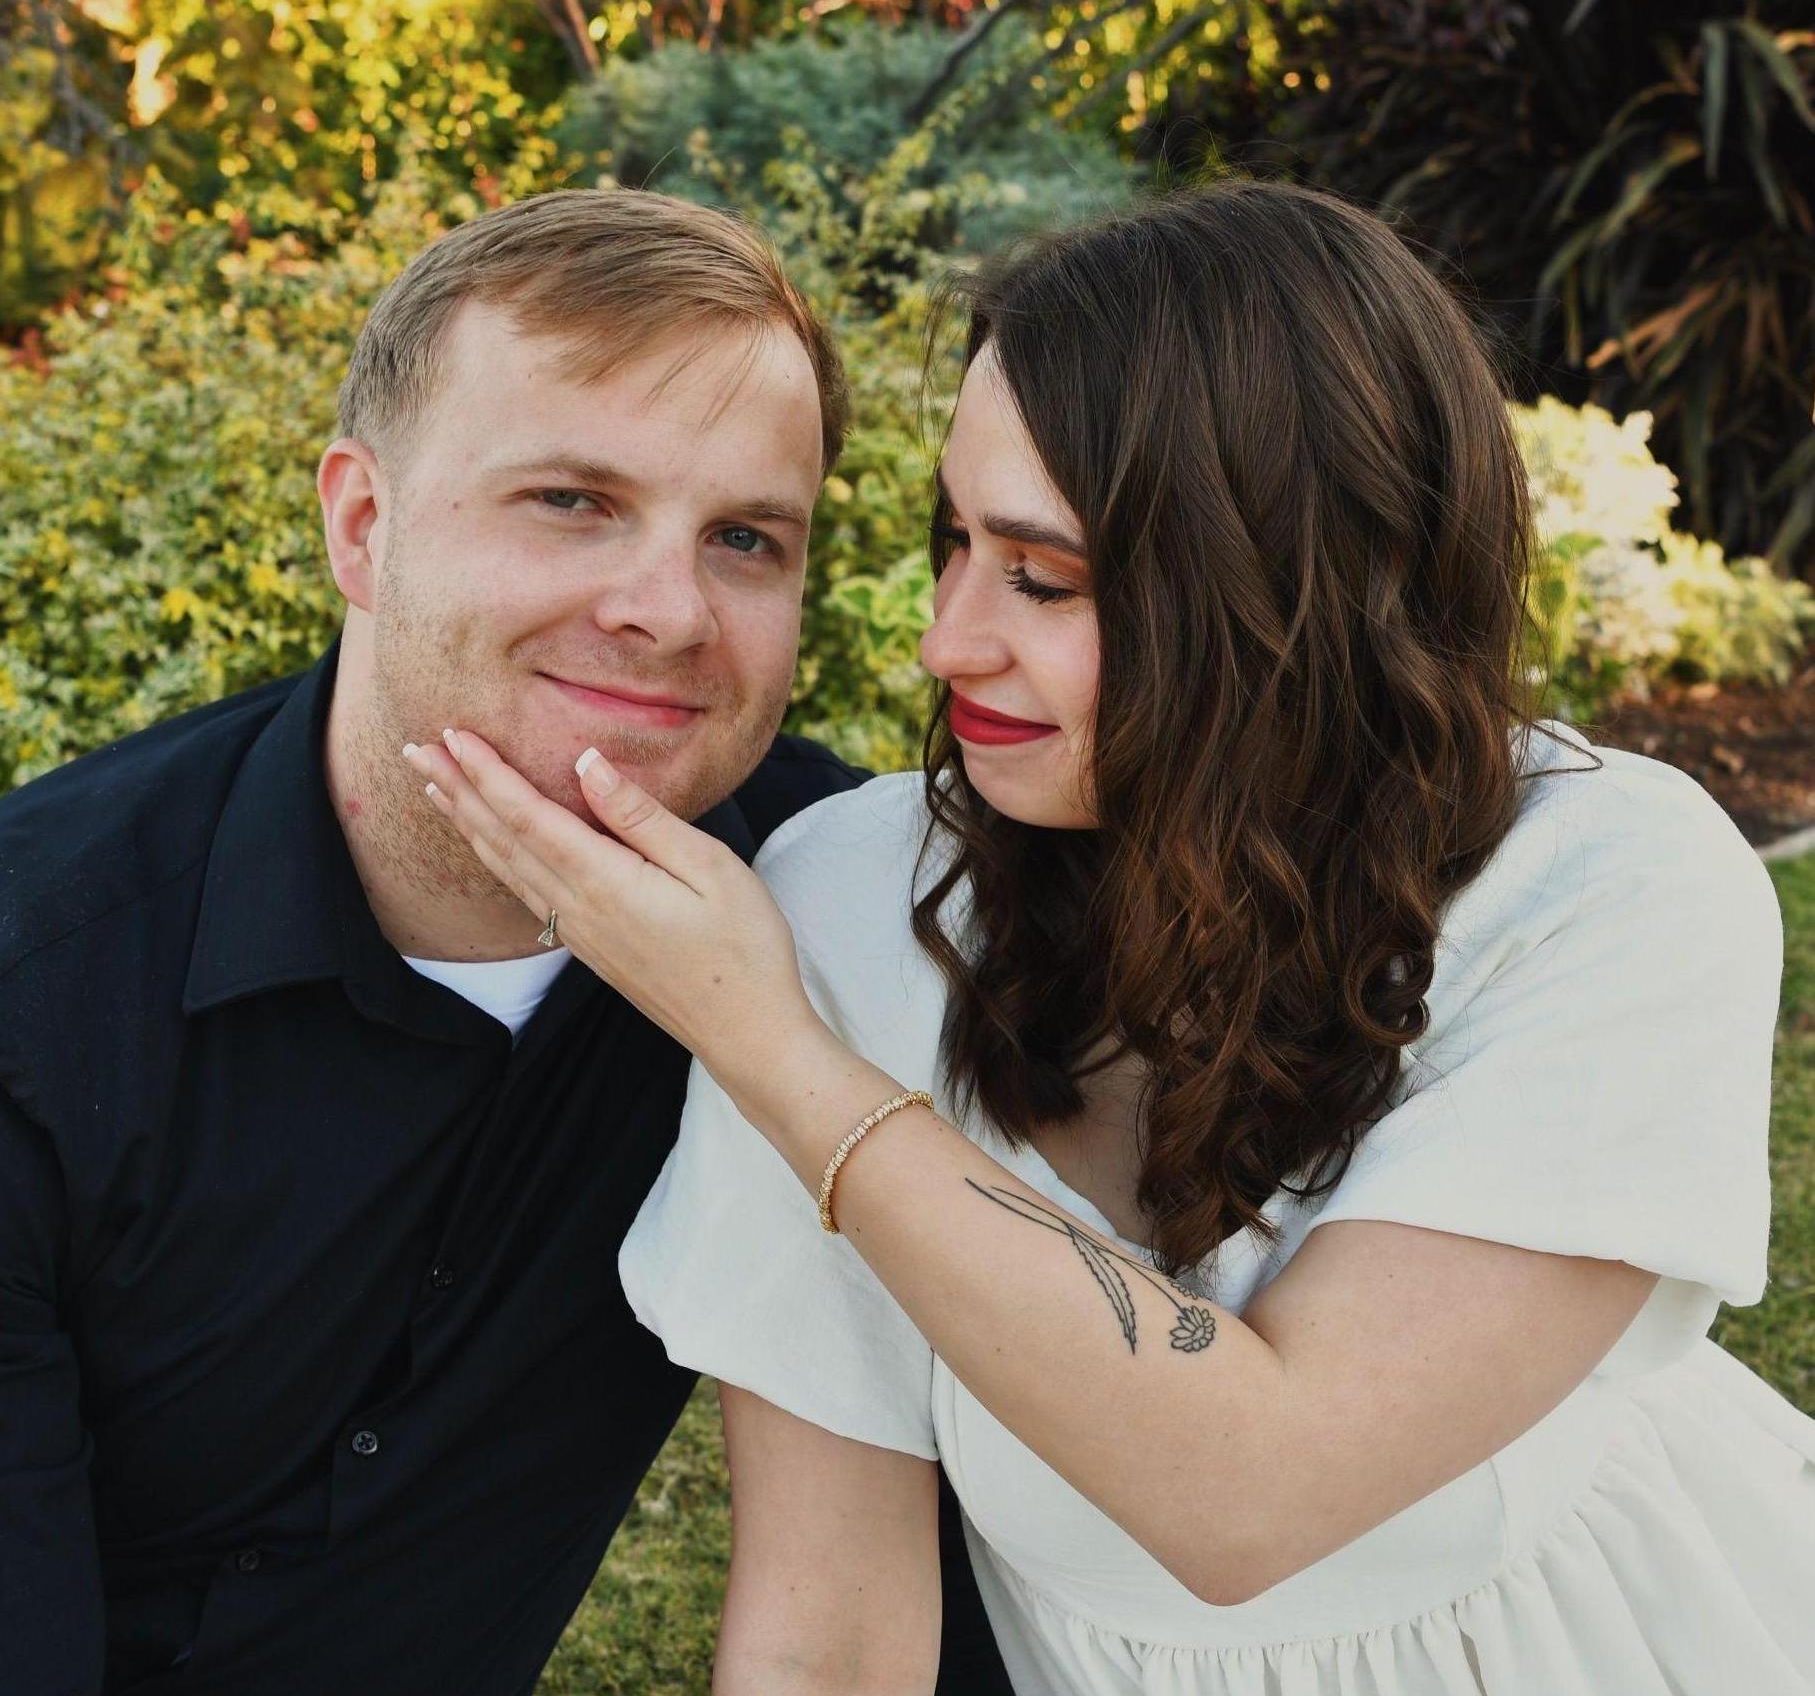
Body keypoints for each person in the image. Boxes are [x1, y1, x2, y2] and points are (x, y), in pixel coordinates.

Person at [405, 178, 1815, 1695]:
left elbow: (1254, 1492)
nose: (947, 639)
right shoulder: (849, 906)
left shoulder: (1603, 888)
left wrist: (773, 1051)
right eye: (954, 542)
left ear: (1296, 589)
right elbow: (828, 1634)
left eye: (1046, 578)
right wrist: (779, 1018)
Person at [0, 189, 1013, 1694]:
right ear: (362, 525)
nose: (668, 612)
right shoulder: (40, 984)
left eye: (745, 538)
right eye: (572, 501)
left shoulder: (845, 923)